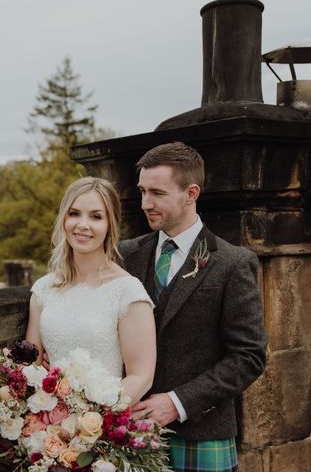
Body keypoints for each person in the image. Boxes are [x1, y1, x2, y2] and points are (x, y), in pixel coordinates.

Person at [120, 142, 267, 472]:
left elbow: (249, 355)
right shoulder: (124, 255)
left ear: (191, 193)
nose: (146, 203)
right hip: (127, 431)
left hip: (202, 433)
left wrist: (179, 402)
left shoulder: (232, 262)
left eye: (157, 193)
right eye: (142, 191)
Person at [26, 177, 156, 405]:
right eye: (74, 213)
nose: (82, 225)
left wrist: (91, 421)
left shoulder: (127, 291)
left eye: (95, 217)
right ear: (64, 218)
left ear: (110, 225)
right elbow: (31, 365)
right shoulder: (44, 289)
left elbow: (141, 376)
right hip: (48, 428)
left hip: (99, 427)